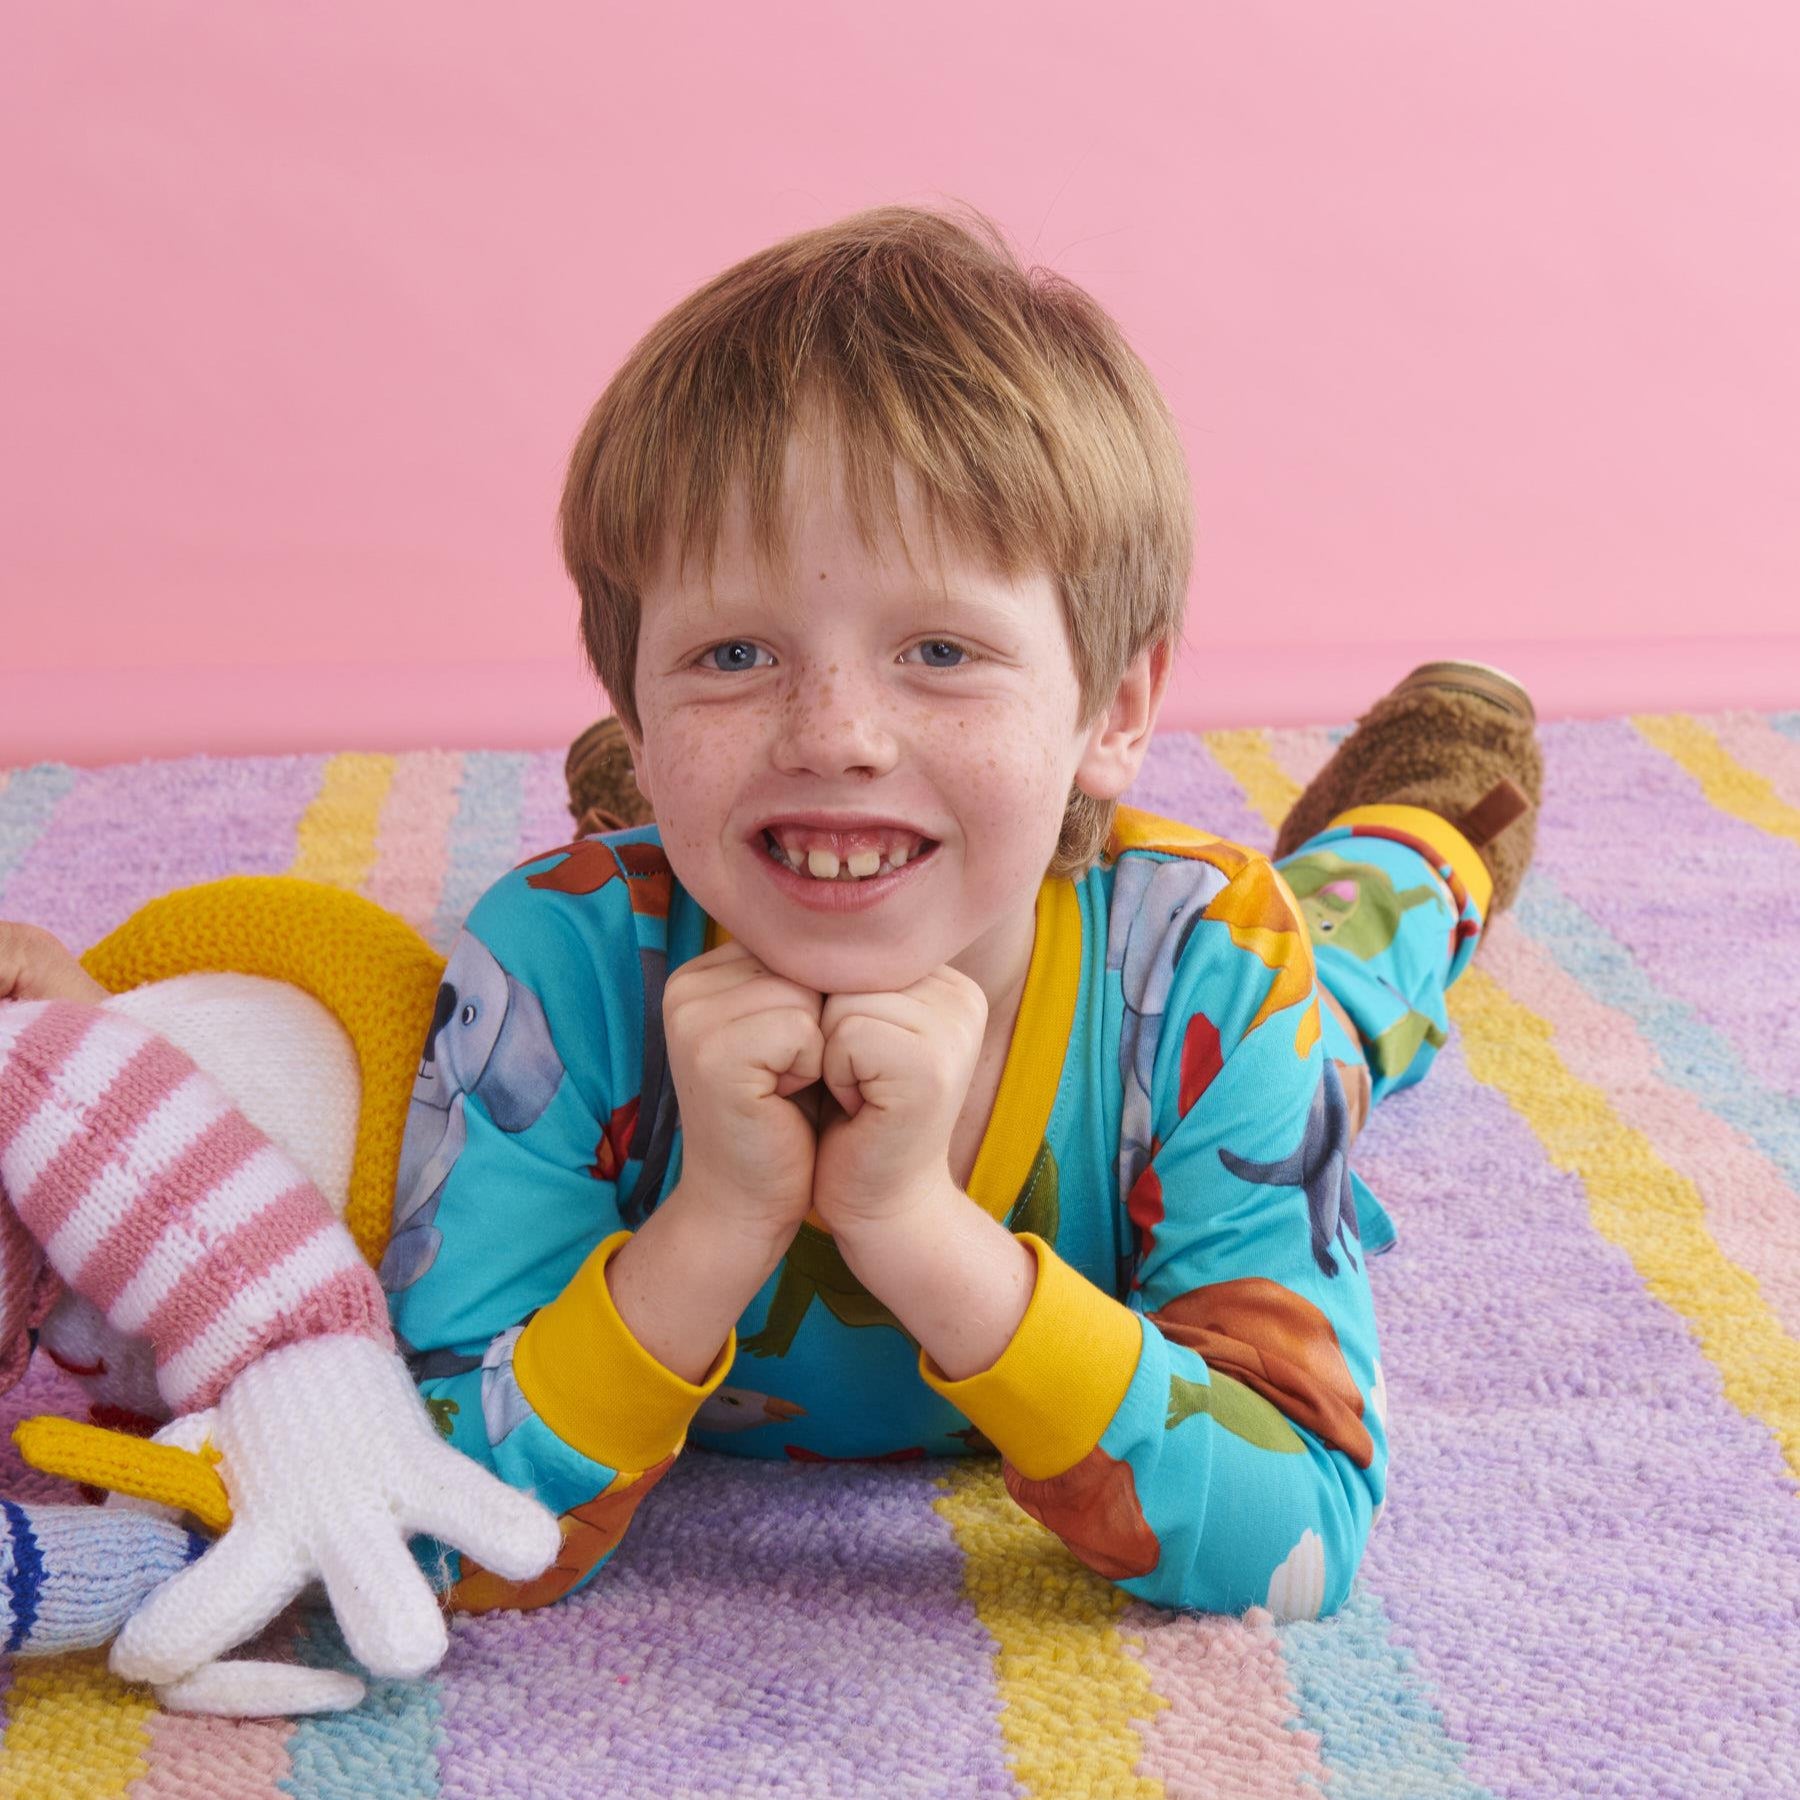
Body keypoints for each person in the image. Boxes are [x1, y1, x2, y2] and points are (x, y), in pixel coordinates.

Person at [0, 202, 1541, 1705]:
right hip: (691, 863)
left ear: (1116, 712)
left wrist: (924, 1233)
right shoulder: (557, 966)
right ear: (634, 685)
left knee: (1348, 980)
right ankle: (680, 783)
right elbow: (420, 1511)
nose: (838, 730)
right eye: (731, 654)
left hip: (1243, 958)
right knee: (736, 826)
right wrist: (716, 1226)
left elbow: (1303, 1533)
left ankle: (1415, 829)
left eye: (941, 651)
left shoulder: (1205, 979)